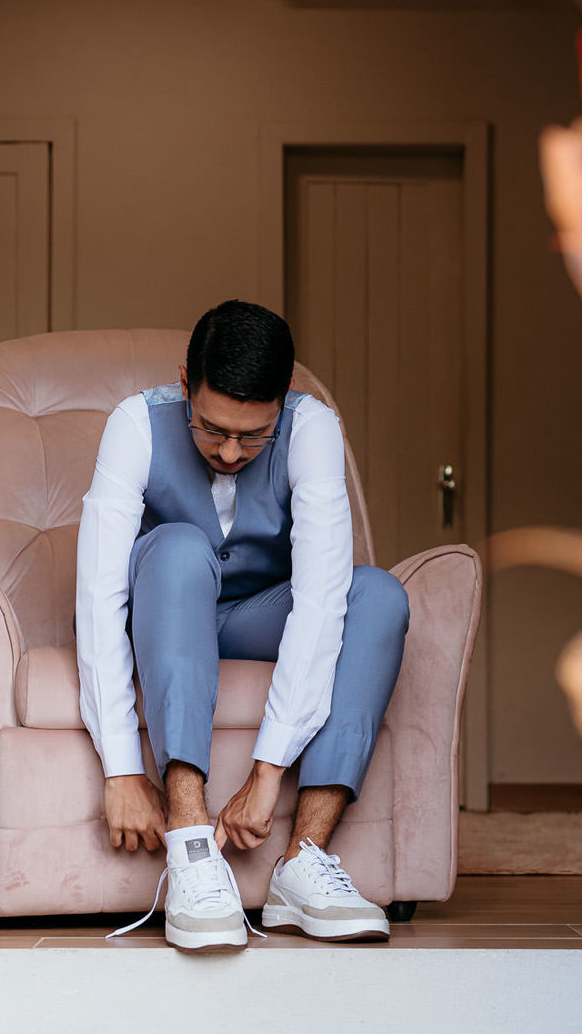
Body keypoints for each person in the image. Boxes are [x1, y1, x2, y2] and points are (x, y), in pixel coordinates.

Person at [75, 299, 410, 951]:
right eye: (212, 429)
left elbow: (319, 601)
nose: (230, 451)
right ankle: (192, 849)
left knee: (376, 594)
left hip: (259, 616)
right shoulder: (134, 425)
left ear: (284, 399)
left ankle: (303, 864)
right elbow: (97, 597)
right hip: (166, 610)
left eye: (254, 435)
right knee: (177, 547)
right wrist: (120, 768)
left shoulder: (313, 428)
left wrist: (268, 770)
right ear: (185, 384)